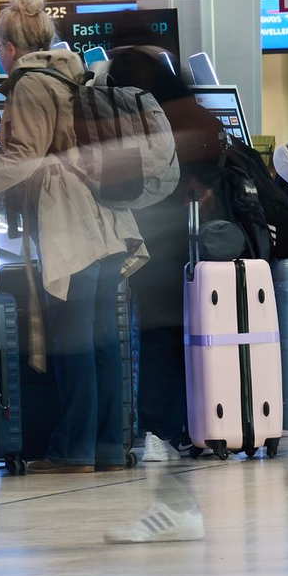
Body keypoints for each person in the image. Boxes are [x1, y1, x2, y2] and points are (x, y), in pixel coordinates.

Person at [0, 0, 147, 474]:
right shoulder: (72, 72)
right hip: (107, 219)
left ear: (8, 45)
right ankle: (109, 447)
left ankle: (75, 450)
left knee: (75, 341)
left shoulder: (31, 82)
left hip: (72, 225)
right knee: (101, 342)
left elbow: (24, 155)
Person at [108, 45, 223, 462]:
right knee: (183, 331)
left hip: (153, 230)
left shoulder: (138, 111)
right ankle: (201, 423)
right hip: (187, 234)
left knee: (158, 331)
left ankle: (159, 428)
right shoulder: (185, 107)